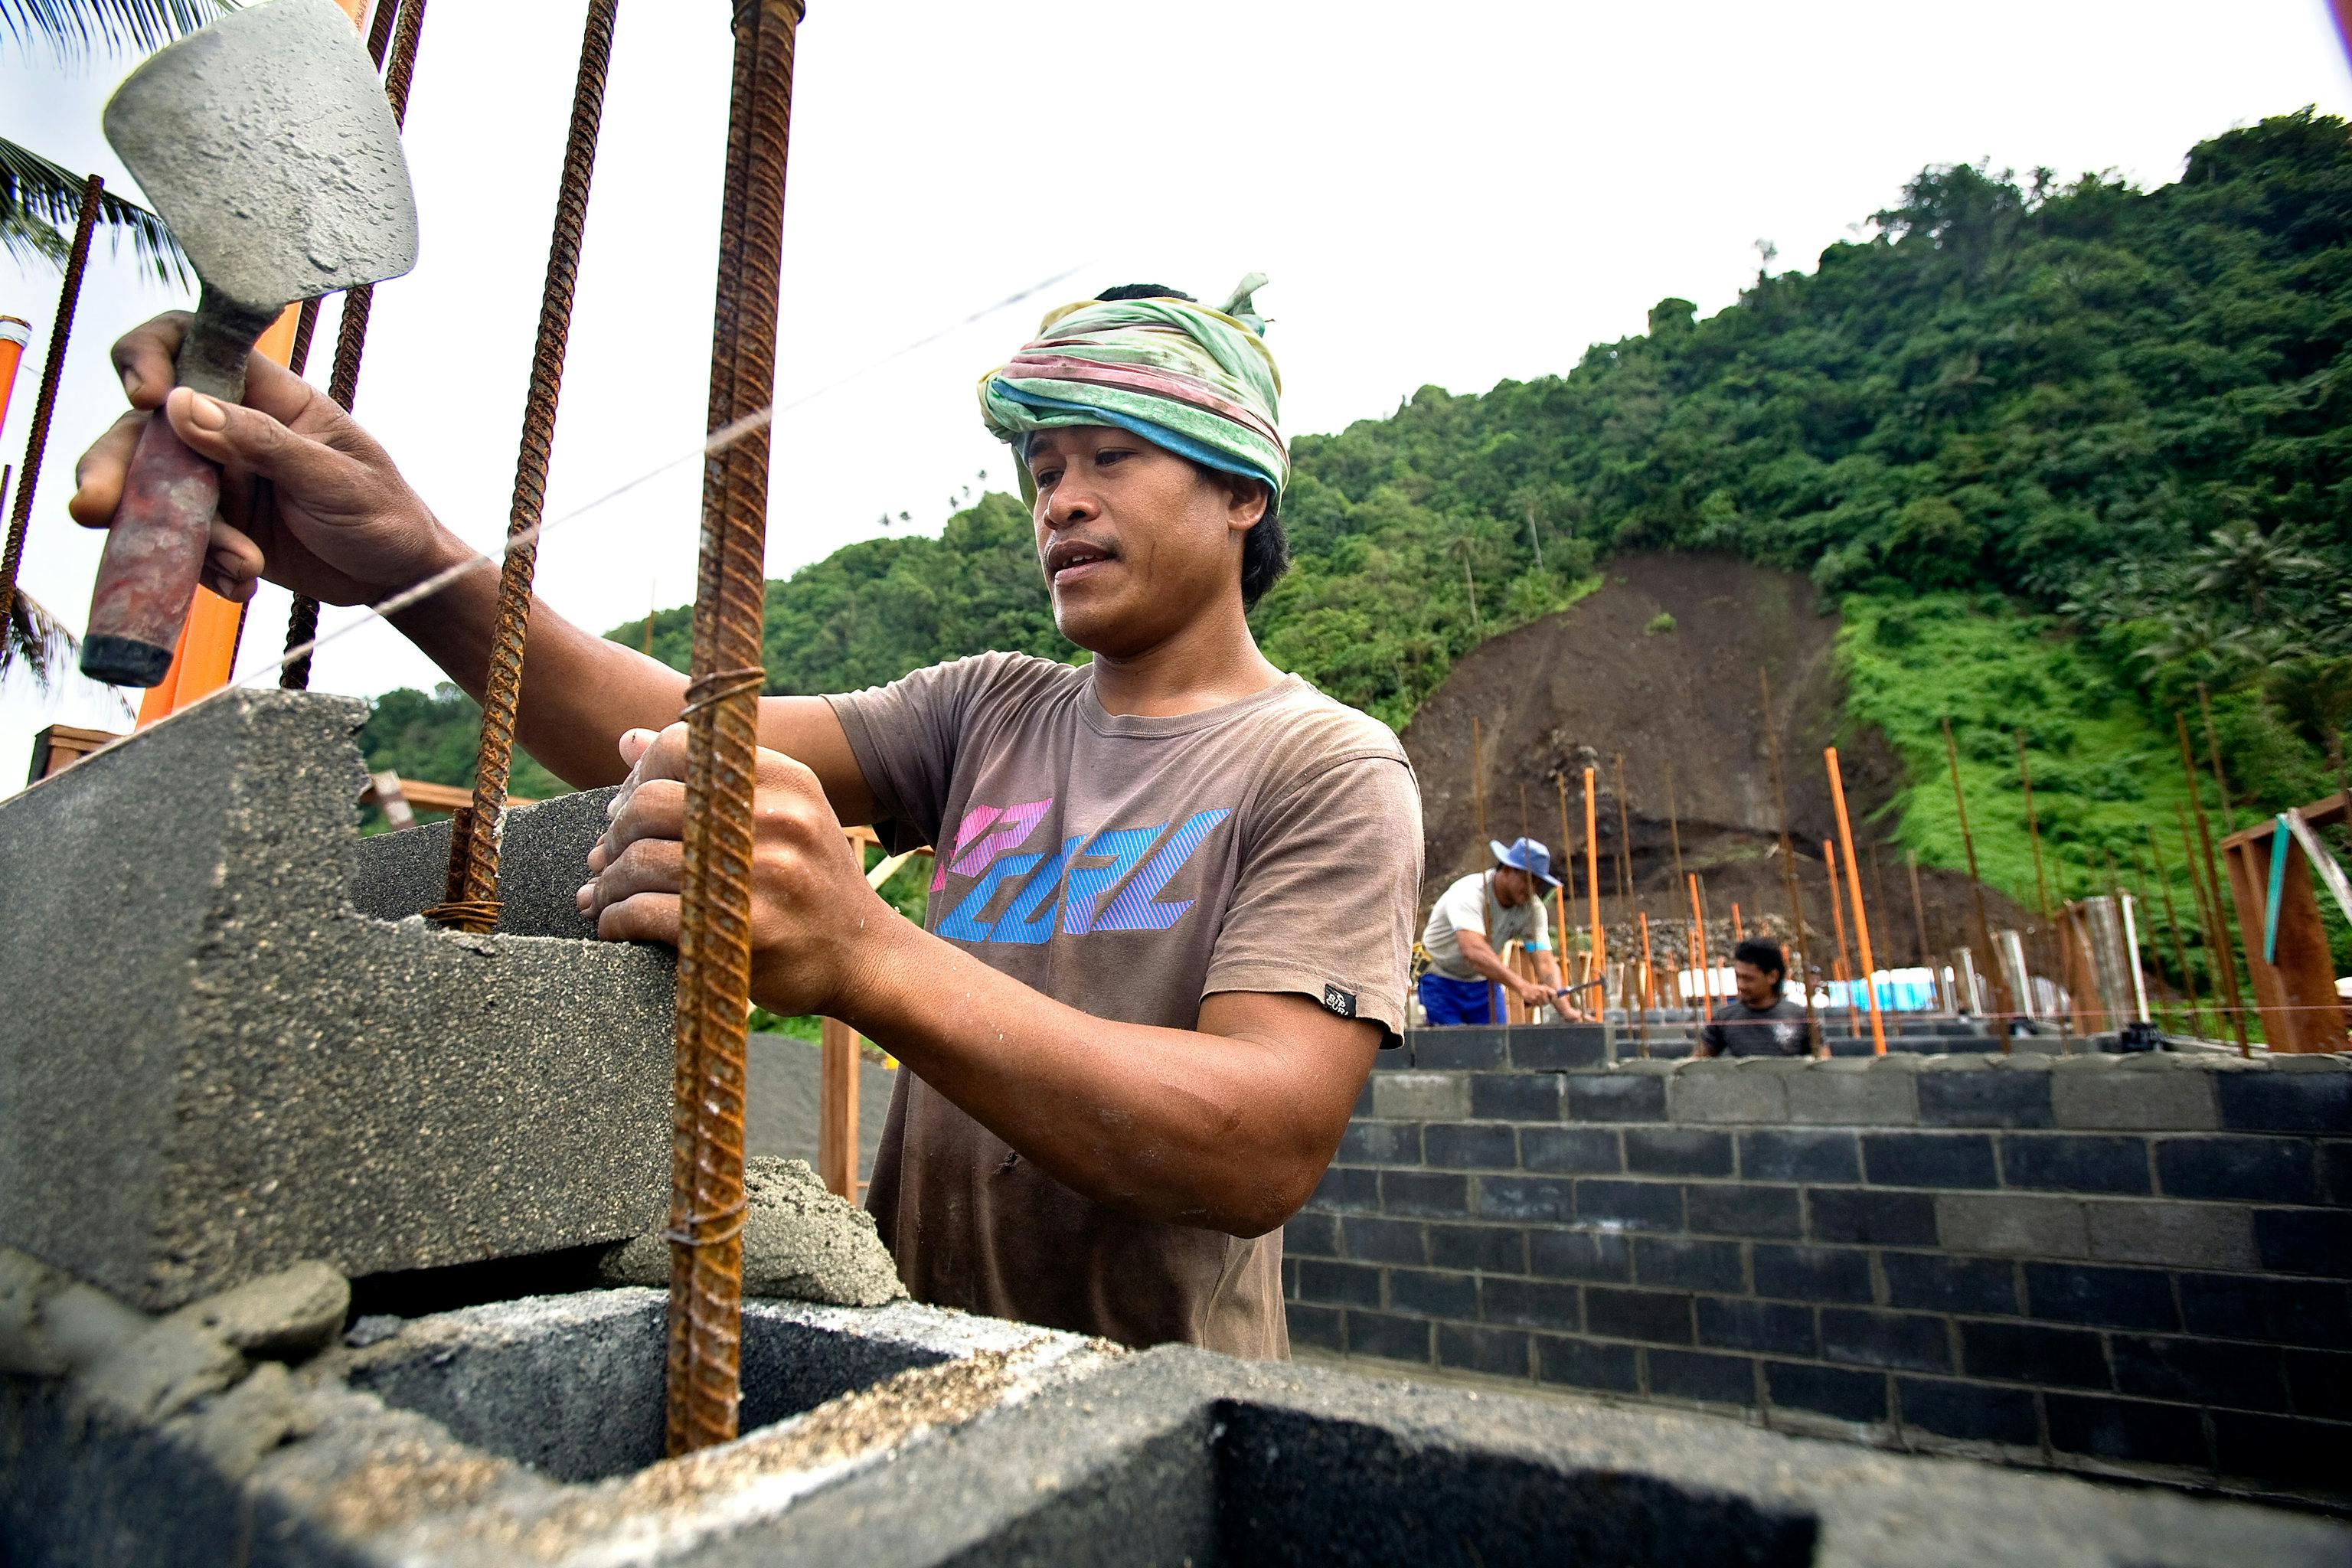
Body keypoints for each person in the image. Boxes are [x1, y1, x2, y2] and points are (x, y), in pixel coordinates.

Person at [70, 278, 1425, 1361]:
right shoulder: (989, 712)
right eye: (1042, 469)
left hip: (1160, 1392)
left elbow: (1261, 1136)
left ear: (1242, 491)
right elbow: (667, 728)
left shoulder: (1321, 765)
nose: (1059, 500)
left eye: (1111, 458)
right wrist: (412, 561)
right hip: (918, 1362)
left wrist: (864, 952)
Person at [1417, 838, 1581, 1025]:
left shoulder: (1532, 909)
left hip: (1483, 983)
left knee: (1498, 1047)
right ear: (1508, 869)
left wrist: (1566, 1011)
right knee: (1452, 1048)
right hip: (1439, 979)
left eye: (1538, 884)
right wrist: (1523, 986)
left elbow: (1544, 961)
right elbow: (1473, 951)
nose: (1532, 889)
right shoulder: (1469, 893)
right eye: (1528, 880)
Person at [1695, 936, 1814, 1057]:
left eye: (1748, 979)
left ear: (1772, 976)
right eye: (1738, 977)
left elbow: (1823, 1067)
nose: (1740, 985)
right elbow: (1695, 1065)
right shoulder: (1724, 1018)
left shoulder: (1802, 1017)